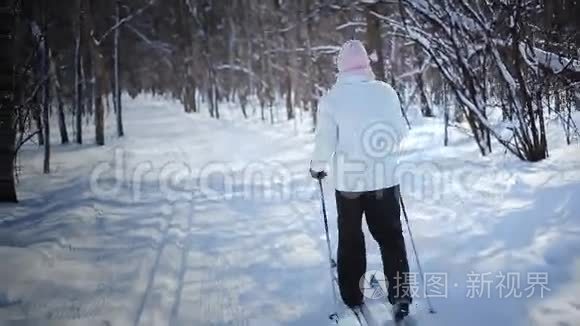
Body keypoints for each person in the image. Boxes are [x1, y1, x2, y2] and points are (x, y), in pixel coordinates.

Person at [309, 40, 411, 317]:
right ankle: (400, 295)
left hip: (349, 185)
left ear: (340, 68)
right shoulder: (386, 92)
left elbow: (326, 140)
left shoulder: (332, 99)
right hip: (384, 180)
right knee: (391, 237)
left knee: (351, 238)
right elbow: (399, 132)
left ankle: (353, 295)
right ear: (367, 64)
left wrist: (317, 166)